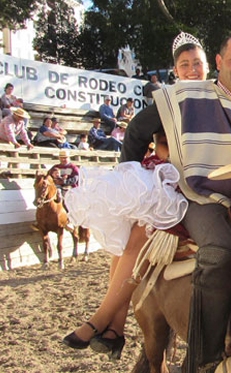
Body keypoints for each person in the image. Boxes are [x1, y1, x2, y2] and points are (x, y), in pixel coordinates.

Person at [120, 33, 231, 372]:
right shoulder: (187, 95)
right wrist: (132, 182)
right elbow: (135, 131)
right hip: (200, 195)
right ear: (218, 63)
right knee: (221, 250)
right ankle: (204, 358)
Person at [62, 32, 211, 360]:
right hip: (169, 184)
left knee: (131, 241)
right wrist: (134, 177)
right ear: (175, 70)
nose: (191, 70)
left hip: (197, 186)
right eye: (184, 65)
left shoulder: (215, 97)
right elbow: (135, 133)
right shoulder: (170, 99)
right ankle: (108, 321)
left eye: (196, 64)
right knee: (129, 238)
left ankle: (111, 323)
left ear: (207, 66)